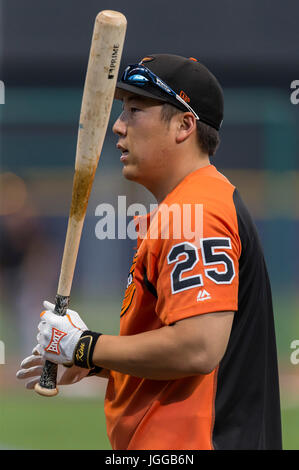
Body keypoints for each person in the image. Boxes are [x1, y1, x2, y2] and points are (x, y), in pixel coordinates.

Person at [17, 54, 282, 450]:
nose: (118, 126)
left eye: (136, 111)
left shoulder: (199, 209)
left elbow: (198, 347)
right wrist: (92, 360)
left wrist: (84, 344)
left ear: (184, 125)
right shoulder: (183, 208)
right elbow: (178, 356)